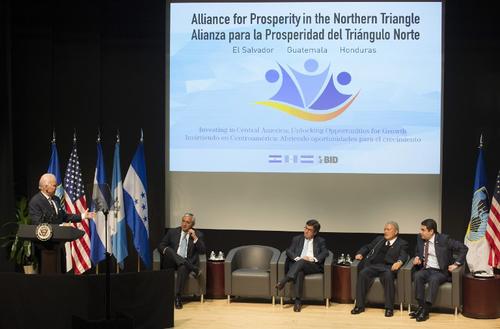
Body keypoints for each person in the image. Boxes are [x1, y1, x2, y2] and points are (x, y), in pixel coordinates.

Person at [409, 218, 468, 322]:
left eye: (423, 230)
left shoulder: (444, 239)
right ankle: (421, 307)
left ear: (431, 231)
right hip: (426, 269)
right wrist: (418, 257)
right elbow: (418, 250)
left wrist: (456, 263)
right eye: (420, 229)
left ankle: (425, 310)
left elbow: (463, 248)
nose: (420, 232)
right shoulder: (420, 238)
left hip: (441, 271)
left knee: (433, 279)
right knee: (417, 276)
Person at [350, 221, 408, 317]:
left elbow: (404, 255)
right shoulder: (379, 239)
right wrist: (360, 253)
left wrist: (399, 262)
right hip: (373, 266)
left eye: (388, 229)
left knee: (389, 276)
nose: (385, 231)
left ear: (396, 232)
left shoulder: (402, 243)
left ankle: (389, 308)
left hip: (388, 267)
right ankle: (359, 306)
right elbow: (368, 247)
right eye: (384, 229)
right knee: (363, 273)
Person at [275, 219, 329, 312]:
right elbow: (289, 250)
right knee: (299, 271)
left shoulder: (320, 241)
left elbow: (325, 252)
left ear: (315, 232)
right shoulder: (297, 239)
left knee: (302, 261)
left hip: (312, 266)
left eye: (309, 230)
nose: (306, 231)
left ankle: (284, 280)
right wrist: (297, 258)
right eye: (305, 228)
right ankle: (298, 301)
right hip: (298, 265)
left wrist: (312, 259)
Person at [158, 212, 206, 309]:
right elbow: (161, 245)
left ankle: (177, 297)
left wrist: (195, 238)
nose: (184, 224)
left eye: (187, 222)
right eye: (183, 221)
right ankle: (193, 268)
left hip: (184, 264)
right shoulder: (172, 232)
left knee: (183, 266)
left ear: (192, 225)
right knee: (170, 250)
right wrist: (168, 252)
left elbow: (202, 251)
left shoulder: (198, 234)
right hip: (171, 262)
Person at [28, 173, 94, 224]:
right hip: (44, 240)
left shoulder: (56, 199)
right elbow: (38, 224)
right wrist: (58, 227)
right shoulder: (35, 201)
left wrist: (83, 216)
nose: (56, 188)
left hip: (58, 239)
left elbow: (64, 217)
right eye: (54, 185)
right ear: (45, 187)